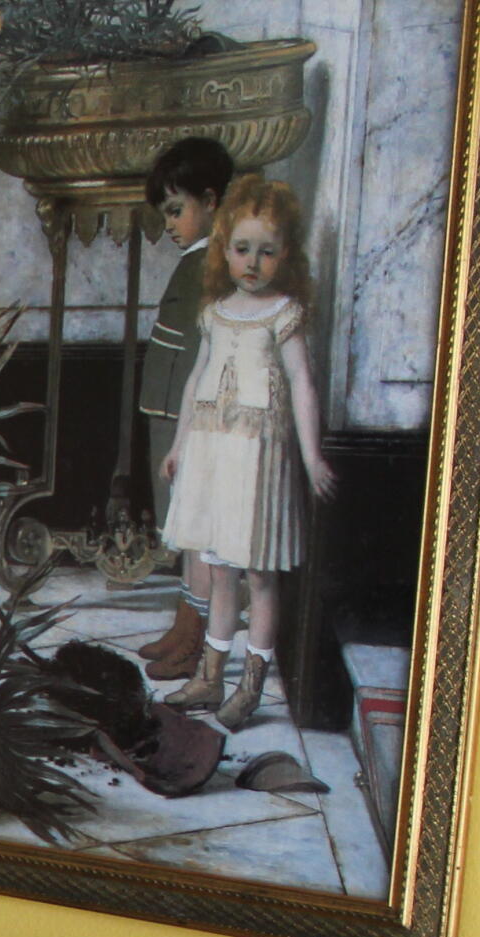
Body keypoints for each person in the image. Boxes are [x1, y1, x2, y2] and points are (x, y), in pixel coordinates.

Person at [161, 173, 337, 733]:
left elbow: (303, 384)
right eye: (242, 250)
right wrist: (179, 444)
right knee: (219, 568)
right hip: (213, 454)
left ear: (285, 254)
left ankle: (249, 687)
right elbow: (195, 380)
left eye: (267, 251)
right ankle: (210, 678)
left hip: (259, 459)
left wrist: (311, 458)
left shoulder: (284, 313)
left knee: (259, 574)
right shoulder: (215, 311)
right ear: (225, 250)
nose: (253, 263)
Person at [136, 137, 234, 682]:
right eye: (165, 213)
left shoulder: (213, 267)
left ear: (211, 201)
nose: (170, 224)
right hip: (167, 413)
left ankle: (193, 639)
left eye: (177, 210)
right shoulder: (193, 261)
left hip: (187, 420)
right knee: (180, 525)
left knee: (194, 529)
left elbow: (206, 352)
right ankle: (182, 625)